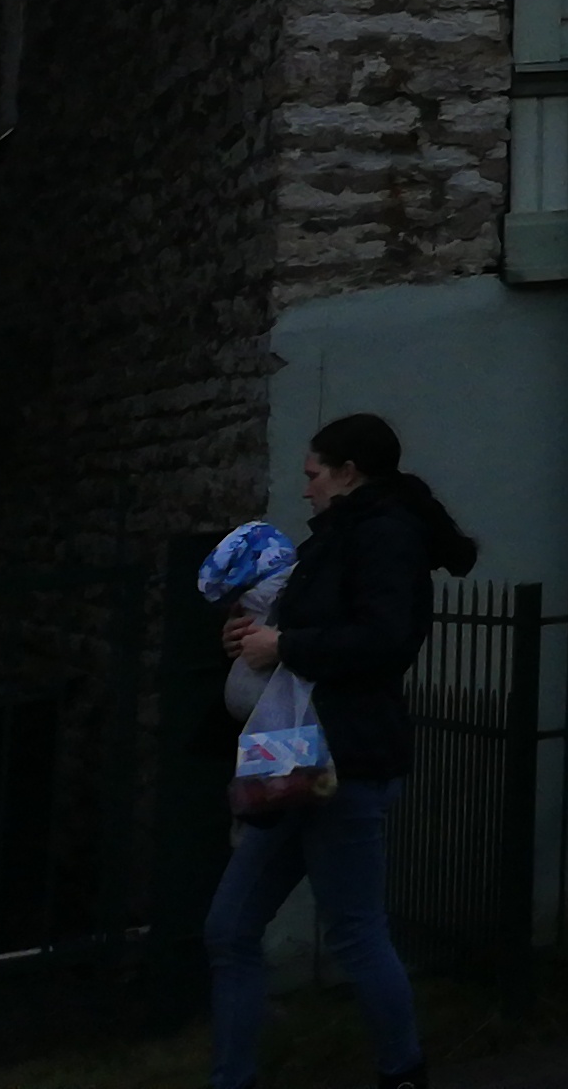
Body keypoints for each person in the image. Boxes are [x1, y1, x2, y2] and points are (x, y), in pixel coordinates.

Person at [208, 412, 477, 1089]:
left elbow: (386, 641)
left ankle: (403, 1070)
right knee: (228, 930)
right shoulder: (340, 535)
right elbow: (308, 628)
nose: (306, 490)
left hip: (347, 761)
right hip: (297, 752)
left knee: (354, 932)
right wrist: (256, 643)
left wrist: (286, 646)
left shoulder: (385, 537)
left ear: (348, 472)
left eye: (313, 474)